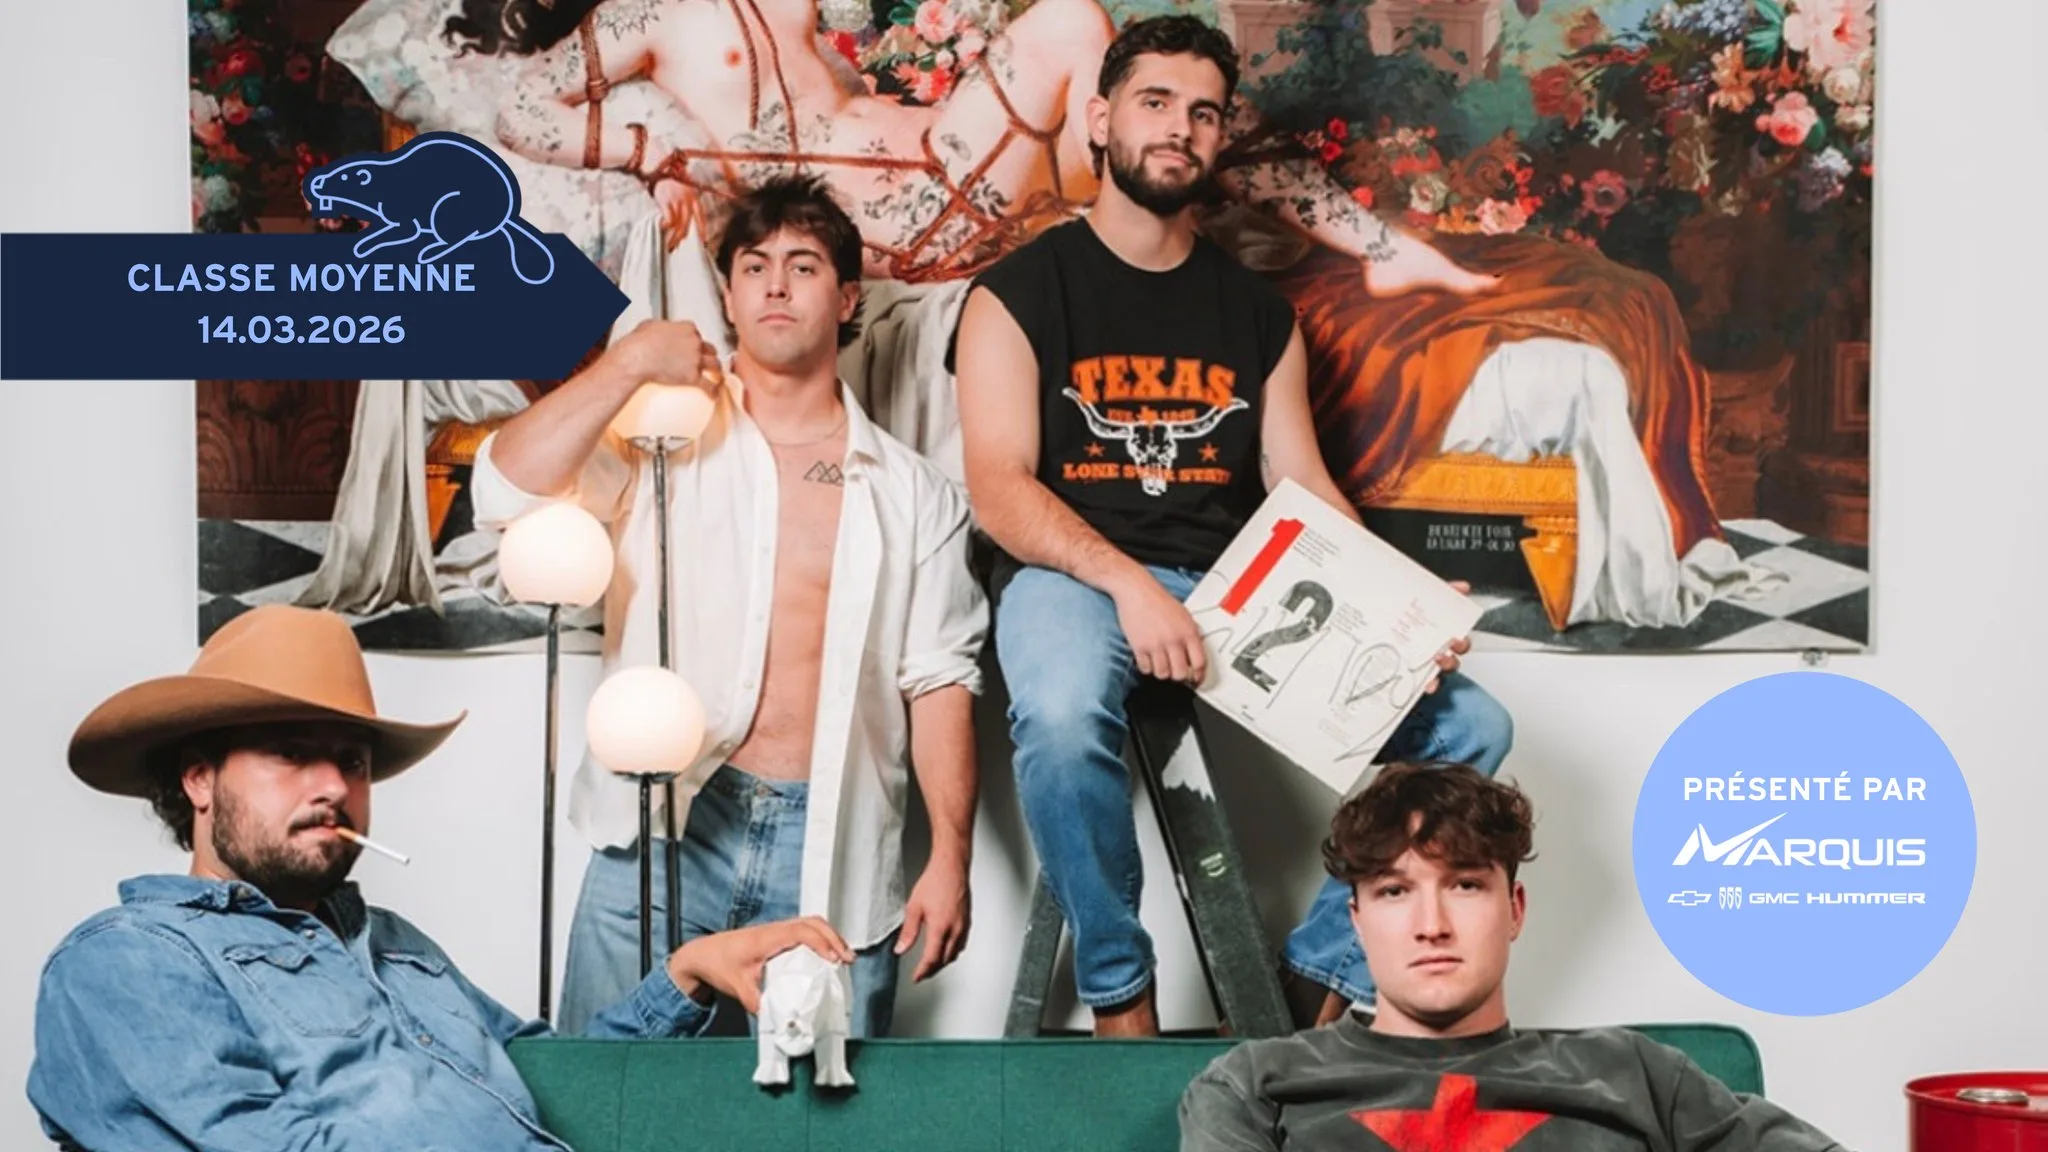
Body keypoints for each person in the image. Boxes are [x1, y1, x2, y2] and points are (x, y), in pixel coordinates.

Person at [952, 15, 1512, 1037]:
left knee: (1470, 726)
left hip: (1235, 587)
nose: (1180, 127)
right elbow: (999, 488)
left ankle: (1319, 981)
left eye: (1203, 112)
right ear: (1099, 119)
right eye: (1155, 101)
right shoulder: (1017, 294)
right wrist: (1127, 585)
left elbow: (1301, 485)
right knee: (1064, 715)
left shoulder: (1256, 314)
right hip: (1071, 578)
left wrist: (1404, 608)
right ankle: (1120, 994)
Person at [28, 604, 851, 1152]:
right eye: (291, 754)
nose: (333, 785)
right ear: (199, 779)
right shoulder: (129, 959)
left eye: (351, 761)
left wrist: (685, 973)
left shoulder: (392, 946)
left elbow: (547, 1078)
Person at [473, 174, 987, 1037]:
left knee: (821, 1111)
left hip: (832, 841)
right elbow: (503, 491)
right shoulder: (659, 440)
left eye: (804, 265)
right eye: (754, 266)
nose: (776, 285)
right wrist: (630, 361)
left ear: (848, 297)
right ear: (728, 296)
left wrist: (951, 858)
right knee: (602, 1093)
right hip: (665, 821)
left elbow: (938, 678)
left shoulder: (914, 494)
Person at [1177, 762, 1849, 1150]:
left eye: (1465, 885)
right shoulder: (1254, 1084)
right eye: (1394, 891)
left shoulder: (1636, 1073)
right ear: (1357, 923)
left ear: (1515, 909)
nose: (1431, 925)